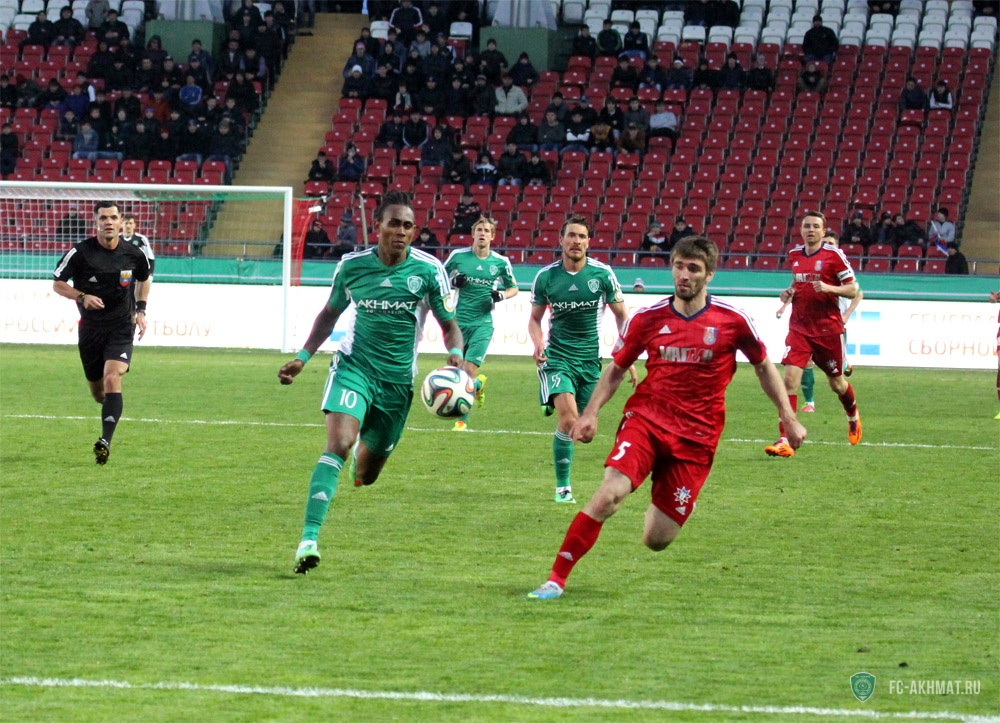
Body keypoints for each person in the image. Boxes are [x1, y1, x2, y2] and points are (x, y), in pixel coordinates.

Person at [527, 235, 805, 600]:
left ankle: (669, 493)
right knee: (608, 496)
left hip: (697, 437)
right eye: (678, 266)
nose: (684, 275)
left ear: (709, 275)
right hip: (647, 420)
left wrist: (788, 416)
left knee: (656, 539)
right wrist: (591, 413)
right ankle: (555, 579)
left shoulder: (733, 320)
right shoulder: (648, 318)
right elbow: (616, 369)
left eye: (694, 269)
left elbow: (764, 366)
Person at [277, 190, 463, 575]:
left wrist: (456, 354)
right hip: (354, 368)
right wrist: (303, 357)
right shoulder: (352, 267)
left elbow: (450, 326)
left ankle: (362, 461)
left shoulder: (429, 271)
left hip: (397, 384)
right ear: (378, 226)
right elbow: (329, 315)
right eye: (394, 223)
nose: (401, 231)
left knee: (367, 474)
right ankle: (308, 539)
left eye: (408, 226)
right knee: (340, 443)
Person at [529, 215, 636, 504]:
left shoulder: (602, 275)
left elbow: (622, 317)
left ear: (589, 242)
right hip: (558, 357)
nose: (576, 241)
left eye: (581, 236)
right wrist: (538, 343)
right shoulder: (546, 277)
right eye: (571, 236)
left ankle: (550, 399)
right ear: (561, 240)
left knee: (586, 434)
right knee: (569, 421)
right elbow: (535, 320)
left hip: (589, 362)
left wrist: (626, 354)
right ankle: (563, 489)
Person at [52, 201, 151, 465]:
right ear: (96, 222)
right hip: (91, 330)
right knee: (99, 393)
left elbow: (144, 279)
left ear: (120, 223)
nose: (109, 222)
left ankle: (105, 441)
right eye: (103, 218)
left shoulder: (134, 254)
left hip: (121, 327)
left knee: (112, 377)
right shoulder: (81, 253)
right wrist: (81, 296)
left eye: (113, 217)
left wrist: (141, 310)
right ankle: (109, 408)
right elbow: (58, 283)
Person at [765, 211, 861, 458]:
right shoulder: (794, 255)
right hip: (799, 329)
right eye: (806, 226)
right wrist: (787, 294)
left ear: (823, 231)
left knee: (837, 384)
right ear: (801, 230)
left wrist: (829, 288)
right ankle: (785, 439)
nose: (810, 230)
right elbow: (797, 284)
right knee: (789, 381)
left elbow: (853, 289)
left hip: (828, 330)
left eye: (816, 226)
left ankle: (852, 414)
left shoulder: (834, 256)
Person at [444, 216, 519, 431]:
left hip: (483, 324)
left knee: (467, 370)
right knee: (457, 372)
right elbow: (438, 278)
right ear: (473, 234)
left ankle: (461, 421)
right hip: (458, 324)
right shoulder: (458, 257)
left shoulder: (500, 262)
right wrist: (452, 281)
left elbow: (513, 288)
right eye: (479, 230)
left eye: (487, 231)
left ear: (493, 236)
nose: (482, 234)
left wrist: (501, 296)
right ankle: (478, 384)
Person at [780, 230, 862, 413]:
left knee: (836, 383)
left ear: (837, 246)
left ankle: (844, 365)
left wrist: (846, 314)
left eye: (831, 243)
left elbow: (857, 292)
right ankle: (808, 403)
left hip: (832, 326)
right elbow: (797, 285)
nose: (828, 246)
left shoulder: (838, 263)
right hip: (803, 327)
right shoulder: (802, 259)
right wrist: (786, 299)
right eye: (826, 243)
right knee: (797, 372)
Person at [121, 214, 155, 278]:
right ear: (121, 224)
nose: (128, 226)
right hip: (120, 273)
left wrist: (150, 274)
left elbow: (150, 258)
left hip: (137, 273)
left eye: (130, 223)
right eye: (126, 223)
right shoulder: (116, 238)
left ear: (134, 225)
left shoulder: (141, 239)